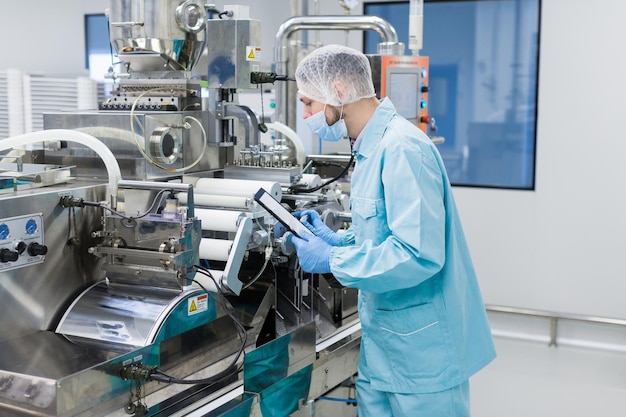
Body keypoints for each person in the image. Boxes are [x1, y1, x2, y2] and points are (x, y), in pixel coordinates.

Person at [290, 44, 496, 417]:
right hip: (384, 351)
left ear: (338, 91)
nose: (304, 115)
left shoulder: (402, 148)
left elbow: (419, 253)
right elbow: (384, 231)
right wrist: (339, 239)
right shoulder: (371, 147)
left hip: (424, 358)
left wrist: (334, 258)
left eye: (308, 103)